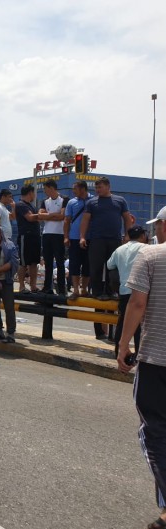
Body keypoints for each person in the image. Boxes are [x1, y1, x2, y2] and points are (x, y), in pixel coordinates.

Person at [117, 206, 166, 529]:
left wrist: (123, 346)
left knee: (155, 432)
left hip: (157, 359)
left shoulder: (151, 256)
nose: (155, 231)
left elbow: (137, 303)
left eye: (157, 225)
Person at [80, 176, 133, 300]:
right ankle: (97, 292)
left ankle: (112, 292)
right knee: (96, 267)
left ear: (108, 187)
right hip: (96, 239)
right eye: (96, 188)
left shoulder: (120, 200)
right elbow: (85, 220)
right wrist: (82, 237)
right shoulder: (91, 202)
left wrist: (127, 235)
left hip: (115, 239)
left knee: (113, 267)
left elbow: (127, 218)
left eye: (100, 187)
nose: (97, 190)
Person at [107, 225, 147, 358]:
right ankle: (139, 355)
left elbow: (109, 265)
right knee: (140, 326)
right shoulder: (146, 249)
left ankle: (118, 351)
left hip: (124, 291)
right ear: (143, 236)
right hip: (141, 291)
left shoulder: (119, 250)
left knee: (123, 322)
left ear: (128, 236)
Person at [38, 180, 69, 295]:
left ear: (51, 188)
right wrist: (53, 215)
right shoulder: (45, 201)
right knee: (48, 263)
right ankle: (47, 288)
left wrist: (48, 216)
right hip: (46, 234)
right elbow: (40, 215)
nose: (44, 191)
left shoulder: (64, 199)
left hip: (59, 234)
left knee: (60, 263)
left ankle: (61, 289)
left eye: (45, 189)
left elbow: (62, 216)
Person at [63, 180, 92, 300]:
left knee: (87, 265)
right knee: (74, 264)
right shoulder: (71, 202)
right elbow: (67, 221)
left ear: (83, 189)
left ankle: (84, 289)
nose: (73, 191)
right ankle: (75, 290)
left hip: (90, 238)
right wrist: (66, 237)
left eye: (75, 188)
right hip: (74, 238)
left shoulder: (93, 200)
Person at [15, 185, 41, 293]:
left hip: (35, 236)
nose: (34, 195)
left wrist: (40, 215)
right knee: (24, 262)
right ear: (30, 193)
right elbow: (30, 218)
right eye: (34, 193)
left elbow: (35, 217)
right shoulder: (21, 204)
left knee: (34, 262)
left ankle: (33, 286)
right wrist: (44, 215)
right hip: (25, 236)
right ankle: (21, 286)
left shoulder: (31, 206)